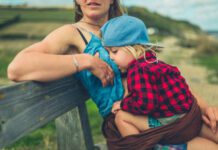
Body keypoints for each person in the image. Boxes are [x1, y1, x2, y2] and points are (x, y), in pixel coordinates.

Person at [7, 1, 218, 149]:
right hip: (134, 126)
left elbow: (161, 76)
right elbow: (17, 68)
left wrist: (206, 107)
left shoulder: (126, 26)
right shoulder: (71, 33)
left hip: (172, 111)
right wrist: (85, 60)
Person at [100, 15, 218, 150]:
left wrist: (123, 104)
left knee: (121, 117)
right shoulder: (153, 62)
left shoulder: (138, 70)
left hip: (173, 124)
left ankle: (144, 146)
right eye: (108, 52)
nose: (111, 57)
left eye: (114, 51)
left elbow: (145, 104)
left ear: (135, 48)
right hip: (189, 116)